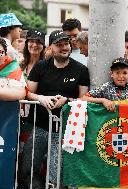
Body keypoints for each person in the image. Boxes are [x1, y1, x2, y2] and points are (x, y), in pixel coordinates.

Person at [21, 30, 90, 188]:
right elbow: (27, 92)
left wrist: (67, 101)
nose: (64, 47)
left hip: (63, 130)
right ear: (50, 47)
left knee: (55, 173)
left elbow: (84, 98)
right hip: (39, 126)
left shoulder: (80, 69)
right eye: (59, 45)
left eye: (66, 44)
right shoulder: (40, 66)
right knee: (28, 169)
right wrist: (41, 98)